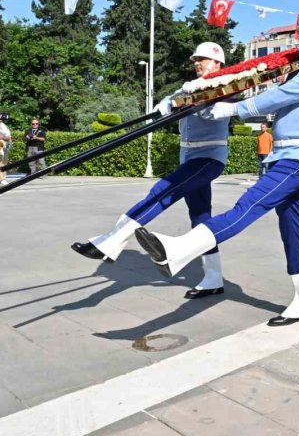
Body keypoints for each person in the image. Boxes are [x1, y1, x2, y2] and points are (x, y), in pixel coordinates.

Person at [133, 14, 299, 326]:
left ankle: (180, 249)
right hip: (287, 155)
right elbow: (284, 97)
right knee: (291, 228)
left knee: (248, 206)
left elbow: (282, 97)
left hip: (298, 157)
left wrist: (235, 108)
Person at [72, 42, 232, 299]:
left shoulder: (225, 86)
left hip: (208, 158)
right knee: (200, 216)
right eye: (195, 59)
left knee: (162, 191)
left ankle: (113, 240)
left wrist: (189, 97)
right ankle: (213, 276)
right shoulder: (188, 87)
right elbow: (170, 100)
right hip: (189, 158)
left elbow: (213, 109)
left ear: (217, 64)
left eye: (202, 59)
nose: (197, 63)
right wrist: (168, 102)